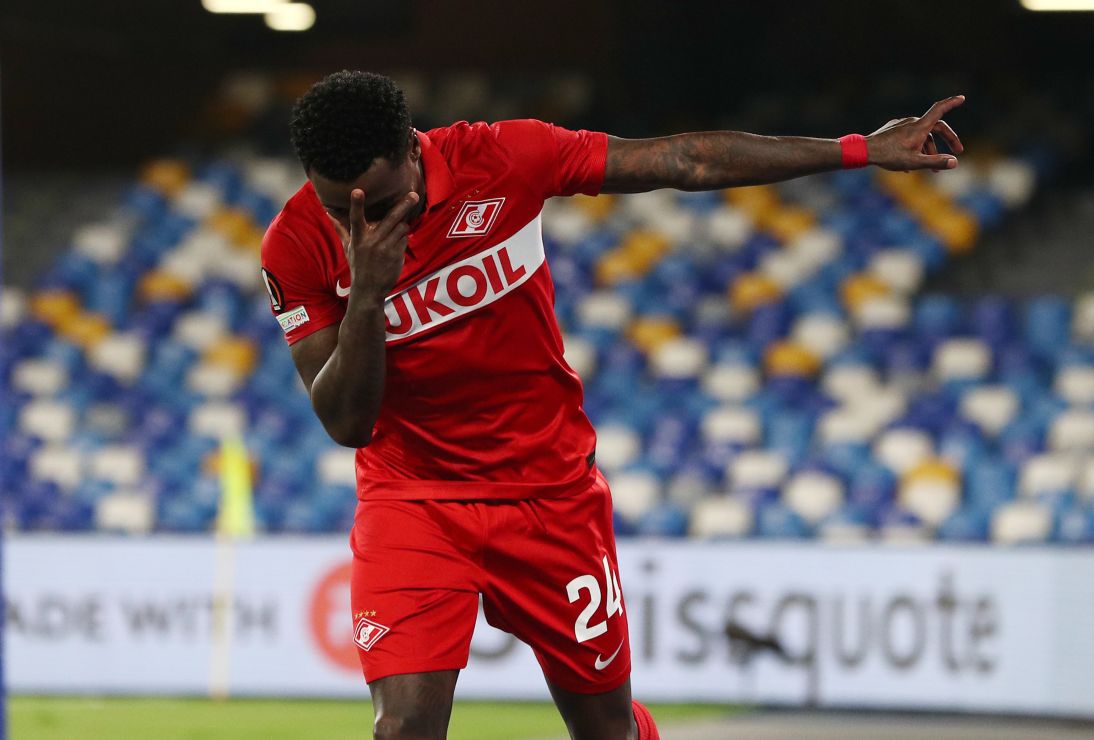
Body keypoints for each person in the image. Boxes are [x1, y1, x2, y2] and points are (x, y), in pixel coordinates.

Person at [260, 70, 964, 740]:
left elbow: (683, 161)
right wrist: (369, 295)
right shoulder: (294, 246)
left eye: (382, 206)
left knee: (605, 728)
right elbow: (347, 422)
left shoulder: (505, 157)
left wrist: (858, 149)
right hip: (416, 501)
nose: (365, 227)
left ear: (413, 148)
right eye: (340, 210)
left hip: (551, 494)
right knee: (403, 726)